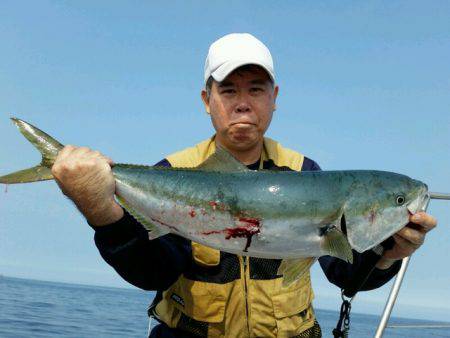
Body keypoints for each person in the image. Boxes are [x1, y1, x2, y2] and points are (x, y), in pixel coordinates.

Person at [52, 33, 437, 337]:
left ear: (274, 98)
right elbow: (154, 272)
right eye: (228, 90)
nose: (242, 103)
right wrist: (101, 212)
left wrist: (388, 251)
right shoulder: (174, 172)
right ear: (207, 100)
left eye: (255, 89)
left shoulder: (305, 173)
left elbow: (345, 273)